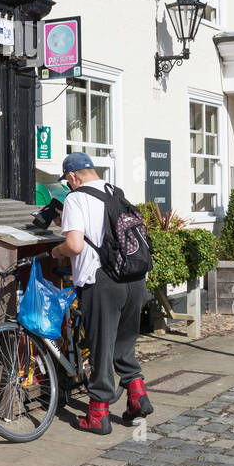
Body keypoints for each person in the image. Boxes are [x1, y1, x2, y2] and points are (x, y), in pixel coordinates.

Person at [51, 152, 151, 435]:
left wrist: (56, 251)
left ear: (72, 177)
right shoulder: (115, 192)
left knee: (100, 348)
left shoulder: (75, 198)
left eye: (68, 182)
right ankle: (137, 394)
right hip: (133, 278)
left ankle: (97, 414)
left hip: (102, 281)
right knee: (123, 343)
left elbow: (75, 245)